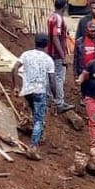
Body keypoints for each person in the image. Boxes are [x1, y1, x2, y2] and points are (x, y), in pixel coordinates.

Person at [11, 33, 58, 161]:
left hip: (27, 91)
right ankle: (33, 146)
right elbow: (52, 80)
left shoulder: (26, 54)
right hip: (39, 91)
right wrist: (55, 96)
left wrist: (16, 86)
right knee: (39, 119)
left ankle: (39, 135)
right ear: (47, 44)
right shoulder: (48, 60)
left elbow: (14, 68)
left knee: (35, 113)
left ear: (35, 42)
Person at [45, 0, 74, 113]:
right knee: (59, 77)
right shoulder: (59, 19)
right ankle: (60, 103)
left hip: (50, 52)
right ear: (64, 6)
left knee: (50, 76)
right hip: (56, 53)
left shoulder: (51, 17)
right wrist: (63, 56)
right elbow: (56, 37)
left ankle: (49, 99)